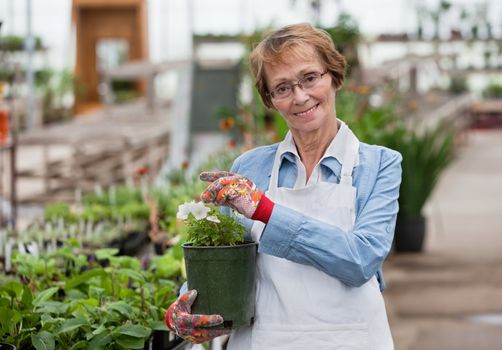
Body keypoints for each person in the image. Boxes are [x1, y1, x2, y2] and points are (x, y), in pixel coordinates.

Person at [166, 23, 402, 349]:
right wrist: (187, 305)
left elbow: (360, 260)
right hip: (266, 340)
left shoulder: (379, 165)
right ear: (270, 99)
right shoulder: (250, 168)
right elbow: (225, 262)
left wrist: (265, 211)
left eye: (309, 78)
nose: (300, 96)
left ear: (334, 76)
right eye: (282, 88)